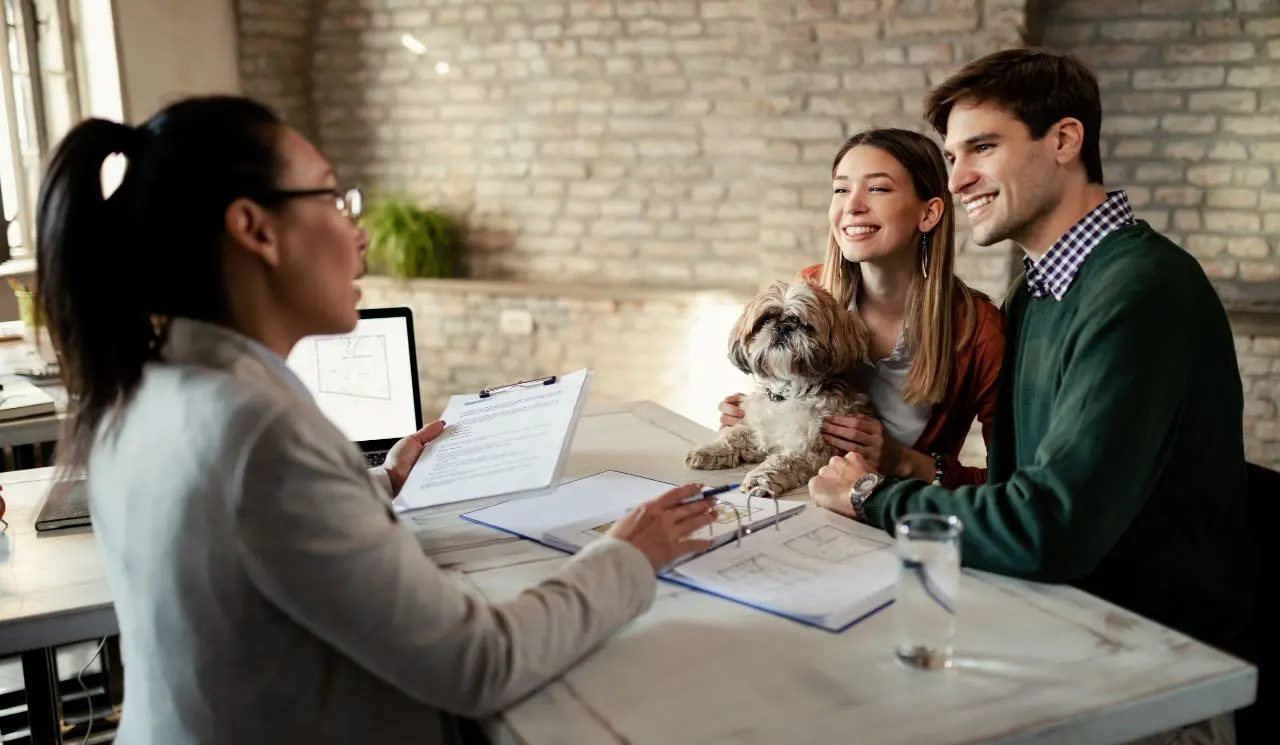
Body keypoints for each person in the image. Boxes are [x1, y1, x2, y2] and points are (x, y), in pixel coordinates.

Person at [35, 95, 718, 745]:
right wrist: (628, 555)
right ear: (254, 228)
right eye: (332, 197)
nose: (358, 233)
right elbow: (479, 663)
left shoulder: (147, 384)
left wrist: (380, 482)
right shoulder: (260, 431)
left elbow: (249, 543)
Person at [808, 48, 1253, 744]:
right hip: (1051, 619)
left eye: (982, 147)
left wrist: (872, 495)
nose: (956, 180)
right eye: (952, 156)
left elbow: (1049, 525)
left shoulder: (1142, 289)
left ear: (1066, 141)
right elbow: (1019, 488)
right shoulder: (1038, 288)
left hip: (1147, 675)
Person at [719, 127, 1005, 488]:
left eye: (878, 188)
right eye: (841, 189)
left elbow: (1011, 485)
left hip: (896, 523)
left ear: (929, 213)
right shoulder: (810, 290)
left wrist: (903, 461)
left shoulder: (977, 329)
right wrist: (758, 413)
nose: (852, 205)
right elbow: (791, 410)